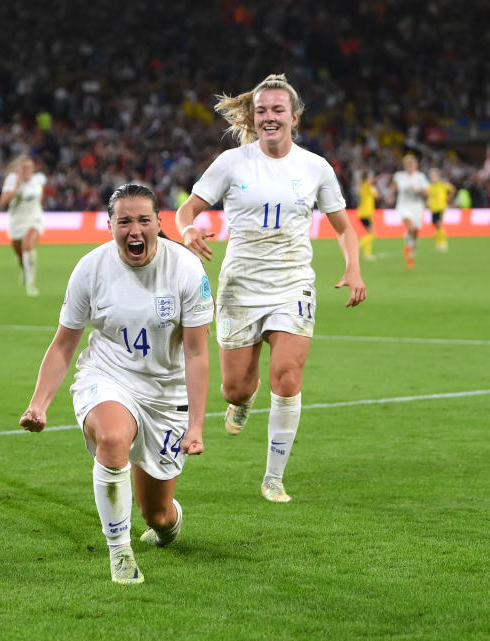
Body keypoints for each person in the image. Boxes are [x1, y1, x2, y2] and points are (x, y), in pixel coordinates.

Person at [174, 73, 367, 503]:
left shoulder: (316, 168)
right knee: (234, 388)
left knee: (288, 376)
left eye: (278, 110)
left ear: (294, 117)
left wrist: (353, 268)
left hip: (292, 283)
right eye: (262, 110)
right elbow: (187, 209)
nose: (269, 117)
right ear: (253, 116)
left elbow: (343, 227)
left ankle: (273, 478)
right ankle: (242, 400)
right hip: (241, 285)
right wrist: (187, 231)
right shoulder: (231, 163)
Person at [20, 183, 213, 585]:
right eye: (124, 221)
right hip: (107, 376)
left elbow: (196, 353)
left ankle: (166, 525)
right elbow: (62, 347)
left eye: (144, 220)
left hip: (165, 394)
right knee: (111, 439)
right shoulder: (90, 268)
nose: (135, 230)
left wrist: (196, 425)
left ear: (160, 223)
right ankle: (119, 551)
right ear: (109, 225)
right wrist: (39, 403)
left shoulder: (187, 269)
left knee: (156, 515)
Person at [0, 156, 46, 296]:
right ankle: (24, 269)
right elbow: (3, 202)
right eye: (24, 168)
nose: (27, 171)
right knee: (20, 255)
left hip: (34, 219)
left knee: (28, 244)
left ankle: (31, 284)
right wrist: (17, 187)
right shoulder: (12, 180)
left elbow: (39, 195)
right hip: (16, 223)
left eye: (30, 168)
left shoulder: (39, 179)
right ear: (18, 169)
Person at [389, 154, 428, 269]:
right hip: (403, 205)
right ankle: (408, 242)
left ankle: (410, 243)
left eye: (412, 163)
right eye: (408, 163)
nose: (410, 166)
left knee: (415, 231)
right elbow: (394, 187)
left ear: (416, 165)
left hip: (417, 206)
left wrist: (417, 191)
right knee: (410, 226)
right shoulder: (399, 176)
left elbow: (426, 194)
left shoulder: (421, 177)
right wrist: (390, 196)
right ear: (405, 165)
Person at [427, 168, 455, 252]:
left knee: (439, 224)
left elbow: (452, 189)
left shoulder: (442, 184)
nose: (433, 177)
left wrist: (449, 198)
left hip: (441, 207)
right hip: (433, 208)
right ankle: (439, 242)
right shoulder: (430, 186)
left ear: (438, 176)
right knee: (436, 225)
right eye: (431, 176)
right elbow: (428, 196)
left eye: (434, 175)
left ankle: (443, 243)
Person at [356, 171, 379, 260]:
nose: (371, 179)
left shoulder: (363, 186)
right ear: (366, 179)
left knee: (370, 233)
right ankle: (356, 247)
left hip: (365, 213)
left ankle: (367, 253)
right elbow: (377, 195)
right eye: (370, 177)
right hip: (365, 213)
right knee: (372, 234)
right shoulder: (367, 186)